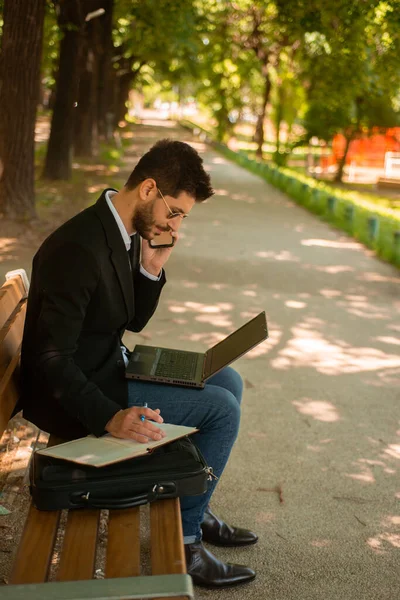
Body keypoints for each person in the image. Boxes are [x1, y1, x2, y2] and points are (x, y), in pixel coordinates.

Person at [20, 139, 257, 588]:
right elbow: (48, 359)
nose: (176, 224)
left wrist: (151, 267)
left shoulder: (125, 229)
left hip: (107, 365)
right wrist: (111, 418)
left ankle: (196, 509)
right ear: (149, 189)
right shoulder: (78, 247)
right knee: (221, 409)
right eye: (176, 212)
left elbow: (132, 319)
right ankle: (187, 544)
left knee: (227, 378)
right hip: (81, 393)